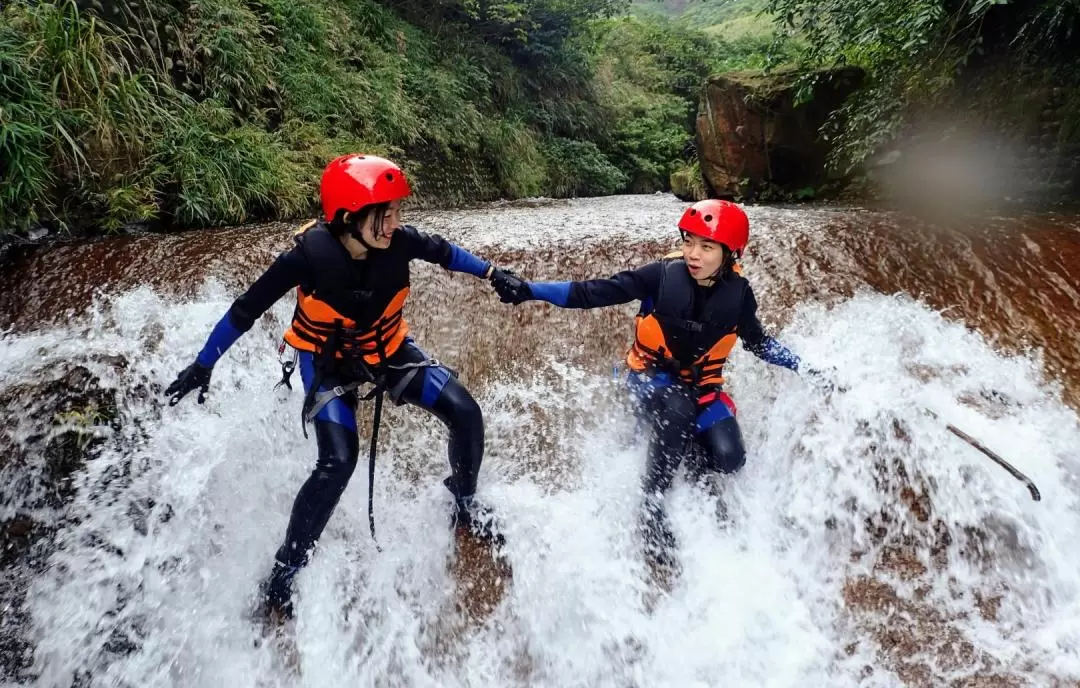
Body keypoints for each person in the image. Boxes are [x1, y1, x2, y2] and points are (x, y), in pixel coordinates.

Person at [164, 154, 510, 620]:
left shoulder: (401, 243)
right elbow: (246, 310)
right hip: (327, 364)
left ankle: (464, 501)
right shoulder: (307, 257)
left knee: (465, 413)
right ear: (349, 217)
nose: (394, 222)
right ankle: (284, 571)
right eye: (382, 214)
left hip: (387, 352)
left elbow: (447, 252)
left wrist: (492, 274)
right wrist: (204, 364)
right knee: (337, 462)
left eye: (396, 211)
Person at [489, 199, 823, 565]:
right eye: (688, 241)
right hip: (646, 379)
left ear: (730, 254)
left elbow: (759, 343)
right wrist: (530, 289)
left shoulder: (739, 296)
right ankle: (651, 509)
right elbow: (593, 292)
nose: (693, 254)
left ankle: (689, 459)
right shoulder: (660, 276)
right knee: (678, 405)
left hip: (702, 388)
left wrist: (808, 369)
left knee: (729, 458)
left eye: (706, 246)